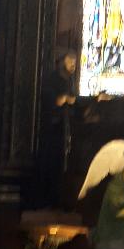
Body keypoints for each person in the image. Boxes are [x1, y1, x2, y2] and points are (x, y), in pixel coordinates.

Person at [39, 50, 78, 207]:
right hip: (52, 128)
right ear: (63, 62)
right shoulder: (52, 79)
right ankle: (48, 200)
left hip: (65, 126)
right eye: (70, 63)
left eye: (74, 64)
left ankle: (59, 199)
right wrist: (61, 99)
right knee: (51, 164)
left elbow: (74, 102)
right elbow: (50, 99)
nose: (73, 67)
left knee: (63, 165)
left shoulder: (69, 80)